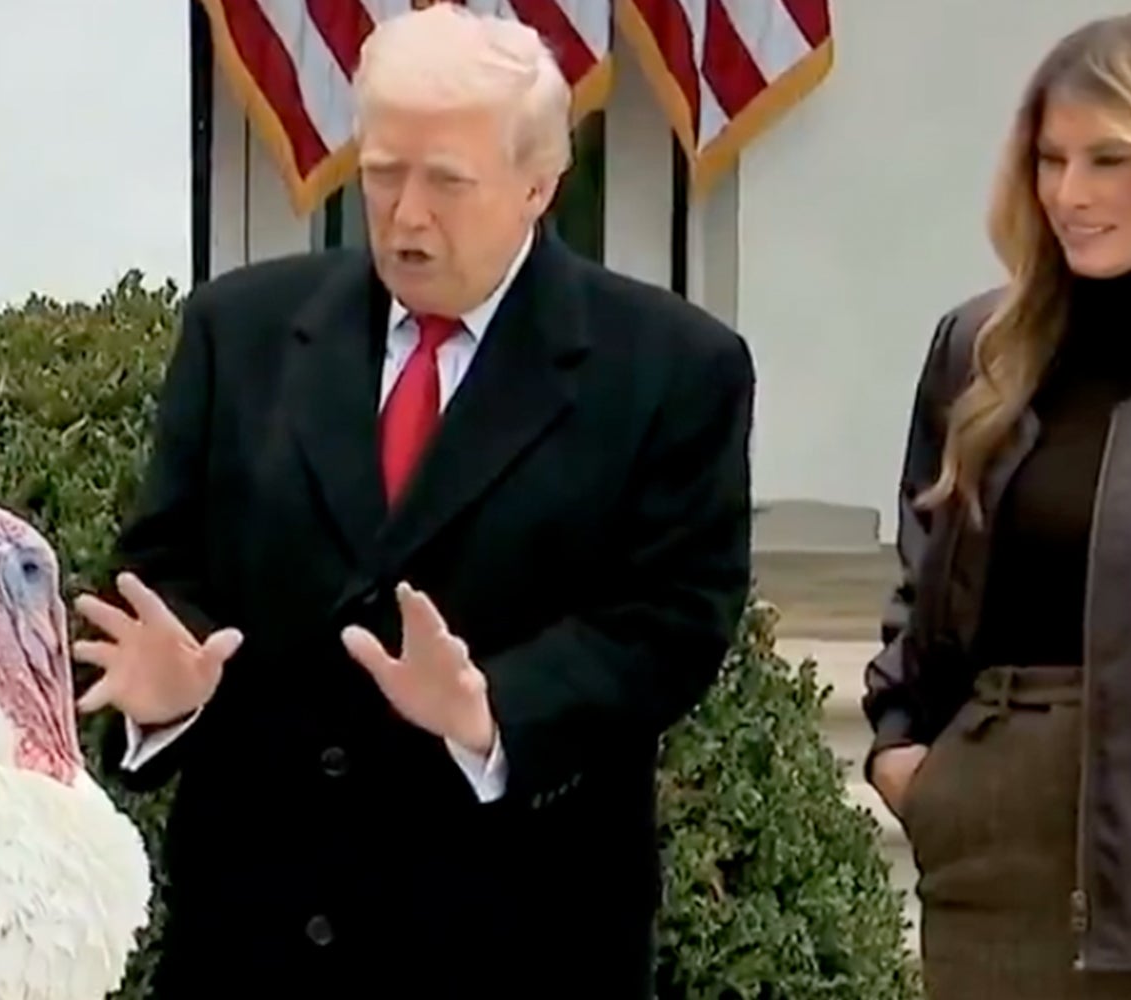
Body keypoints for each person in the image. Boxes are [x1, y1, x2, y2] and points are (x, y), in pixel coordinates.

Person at [70, 5, 755, 996]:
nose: (403, 215)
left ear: (537, 182)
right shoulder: (243, 331)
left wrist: (492, 710)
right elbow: (166, 567)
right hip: (255, 940)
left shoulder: (667, 368)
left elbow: (671, 621)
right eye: (383, 171)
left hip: (512, 938)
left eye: (446, 181)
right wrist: (168, 694)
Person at [863, 12, 1131, 998]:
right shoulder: (980, 349)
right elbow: (924, 572)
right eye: (1049, 158)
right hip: (991, 863)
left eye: (1106, 160)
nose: (1068, 194)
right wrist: (901, 752)